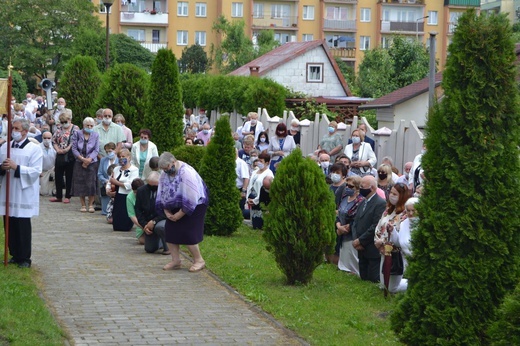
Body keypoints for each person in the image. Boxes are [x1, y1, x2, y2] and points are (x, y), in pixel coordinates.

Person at [0, 117, 43, 268]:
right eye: (13, 129)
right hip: (8, 189)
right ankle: (14, 253)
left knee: (22, 225)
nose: (14, 132)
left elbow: (36, 171)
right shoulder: (5, 147)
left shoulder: (34, 149)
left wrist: (16, 167)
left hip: (23, 191)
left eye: (17, 129)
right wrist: (3, 168)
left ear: (25, 131)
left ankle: (24, 257)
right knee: (9, 223)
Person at [156, 152, 209, 272]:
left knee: (188, 234)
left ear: (173, 162)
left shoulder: (186, 173)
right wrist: (167, 211)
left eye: (167, 168)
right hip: (175, 205)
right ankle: (176, 261)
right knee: (170, 232)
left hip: (196, 204)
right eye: (163, 169)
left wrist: (180, 214)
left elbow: (191, 197)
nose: (165, 171)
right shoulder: (165, 174)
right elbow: (162, 192)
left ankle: (199, 260)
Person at [374, 183, 409, 293]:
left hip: (396, 252)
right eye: (391, 193)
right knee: (383, 284)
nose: (391, 195)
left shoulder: (404, 214)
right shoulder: (387, 210)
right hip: (383, 249)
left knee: (392, 287)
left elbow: (401, 233)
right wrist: (378, 242)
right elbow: (379, 227)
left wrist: (386, 244)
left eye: (395, 194)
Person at [351, 175, 387, 282]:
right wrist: (355, 239)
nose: (360, 188)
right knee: (363, 278)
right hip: (360, 247)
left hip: (371, 247)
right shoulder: (362, 202)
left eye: (362, 186)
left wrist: (361, 240)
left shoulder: (380, 203)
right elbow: (356, 222)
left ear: (372, 188)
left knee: (372, 279)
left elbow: (376, 225)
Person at [385, 197, 419, 293]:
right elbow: (399, 242)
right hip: (405, 260)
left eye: (414, 210)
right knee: (392, 288)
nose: (411, 213)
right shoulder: (404, 223)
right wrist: (393, 231)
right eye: (408, 210)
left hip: (418, 261)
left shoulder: (424, 224)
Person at [135, 171, 169, 254]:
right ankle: (159, 241)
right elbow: (138, 210)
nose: (153, 187)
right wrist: (144, 225)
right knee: (149, 249)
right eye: (150, 185)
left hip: (162, 219)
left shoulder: (166, 190)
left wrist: (154, 221)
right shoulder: (141, 191)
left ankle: (168, 247)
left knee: (160, 227)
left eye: (155, 186)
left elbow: (167, 211)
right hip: (148, 222)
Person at [336, 175, 364, 275]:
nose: (348, 188)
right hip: (341, 231)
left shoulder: (360, 201)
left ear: (357, 188)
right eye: (347, 185)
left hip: (352, 234)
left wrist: (345, 228)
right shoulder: (344, 197)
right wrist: (339, 226)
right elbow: (339, 214)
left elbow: (356, 219)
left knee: (352, 259)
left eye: (351, 186)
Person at [50, 109, 80, 203]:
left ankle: (68, 195)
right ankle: (58, 195)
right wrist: (57, 149)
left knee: (69, 175)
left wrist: (67, 149)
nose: (63, 124)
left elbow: (75, 141)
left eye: (65, 122)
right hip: (59, 154)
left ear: (69, 120)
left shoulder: (75, 128)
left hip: (70, 154)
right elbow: (53, 140)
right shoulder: (59, 129)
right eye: (62, 122)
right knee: (58, 175)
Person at [71, 117, 100, 213]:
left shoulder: (95, 135)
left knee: (91, 183)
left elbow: (96, 150)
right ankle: (83, 205)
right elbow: (74, 148)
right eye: (87, 125)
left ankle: (91, 204)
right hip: (79, 161)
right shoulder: (77, 134)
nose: (89, 127)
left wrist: (89, 159)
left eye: (91, 126)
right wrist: (82, 159)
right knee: (80, 183)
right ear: (83, 125)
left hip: (92, 162)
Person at [106, 149, 139, 231]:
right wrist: (108, 190)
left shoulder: (134, 170)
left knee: (125, 215)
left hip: (127, 195)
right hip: (117, 195)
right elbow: (110, 181)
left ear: (129, 157)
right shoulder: (116, 169)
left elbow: (130, 184)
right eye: (119, 157)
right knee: (117, 218)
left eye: (123, 156)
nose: (121, 158)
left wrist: (117, 183)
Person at [246, 152, 274, 230]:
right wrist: (247, 197)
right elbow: (250, 184)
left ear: (267, 163)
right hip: (251, 197)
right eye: (258, 160)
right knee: (254, 223)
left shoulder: (269, 174)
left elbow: (265, 190)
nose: (259, 163)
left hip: (260, 199)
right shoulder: (255, 171)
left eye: (261, 161)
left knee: (259, 225)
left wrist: (255, 200)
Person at [97, 142, 119, 215]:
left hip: (117, 185)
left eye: (110, 151)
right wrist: (105, 181)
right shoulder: (103, 160)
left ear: (115, 150)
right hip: (105, 185)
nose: (108, 153)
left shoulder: (119, 160)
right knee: (105, 211)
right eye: (107, 152)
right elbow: (99, 174)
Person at [127, 178, 146, 244]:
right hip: (140, 223)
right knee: (142, 241)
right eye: (136, 192)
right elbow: (132, 215)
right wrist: (143, 226)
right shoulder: (130, 197)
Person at [39, 130, 56, 196]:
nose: (47, 140)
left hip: (53, 169)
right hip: (43, 170)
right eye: (45, 138)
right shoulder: (38, 147)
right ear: (42, 138)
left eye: (49, 138)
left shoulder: (55, 147)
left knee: (58, 175)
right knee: (44, 192)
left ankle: (55, 190)